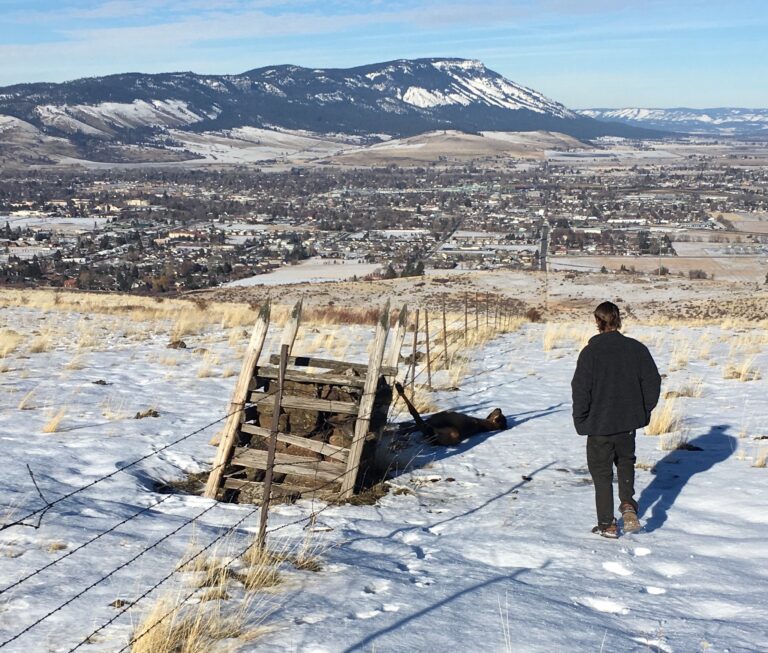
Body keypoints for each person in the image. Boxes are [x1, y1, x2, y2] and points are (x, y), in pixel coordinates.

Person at [571, 301, 660, 538]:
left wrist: (581, 421)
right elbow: (653, 382)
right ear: (618, 320)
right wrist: (642, 412)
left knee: (601, 475)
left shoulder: (590, 353)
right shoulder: (636, 349)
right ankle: (628, 505)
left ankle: (608, 525)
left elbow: (580, 390)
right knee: (625, 463)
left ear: (597, 322)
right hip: (627, 425)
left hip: (598, 427)